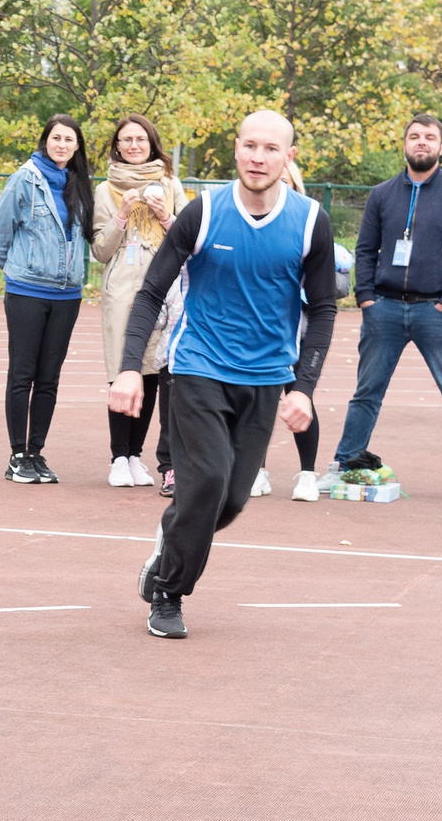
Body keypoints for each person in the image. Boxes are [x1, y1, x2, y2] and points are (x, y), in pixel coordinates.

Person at [110, 110, 336, 640]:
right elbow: (151, 292)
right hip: (197, 369)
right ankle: (168, 592)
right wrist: (129, 369)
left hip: (265, 379)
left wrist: (304, 387)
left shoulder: (310, 221)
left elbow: (324, 307)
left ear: (288, 157)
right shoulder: (205, 211)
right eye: (250, 146)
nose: (258, 158)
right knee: (207, 480)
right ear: (236, 149)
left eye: (271, 149)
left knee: (231, 500)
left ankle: (171, 539)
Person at [332, 112, 442, 504]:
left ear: (441, 146)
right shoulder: (382, 194)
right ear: (404, 144)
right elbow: (365, 249)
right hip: (384, 310)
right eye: (415, 136)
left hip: (436, 314)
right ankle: (343, 465)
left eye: (430, 137)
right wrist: (365, 297)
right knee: (366, 394)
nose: (422, 142)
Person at [0, 114, 95, 483]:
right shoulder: (25, 179)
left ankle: (36, 453)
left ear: (77, 146)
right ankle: (17, 455)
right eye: (56, 138)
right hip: (26, 292)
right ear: (45, 141)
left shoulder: (80, 183)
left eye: (69, 139)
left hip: (67, 295)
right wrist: (20, 270)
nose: (62, 145)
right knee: (23, 373)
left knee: (49, 378)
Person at [92, 114, 186, 489]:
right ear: (117, 146)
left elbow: (189, 238)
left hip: (163, 288)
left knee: (150, 371)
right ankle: (118, 457)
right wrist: (121, 215)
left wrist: (164, 214)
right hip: (122, 289)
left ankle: (135, 456)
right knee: (123, 369)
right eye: (126, 140)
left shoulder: (171, 184)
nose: (134, 145)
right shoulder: (105, 190)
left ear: (152, 144)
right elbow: (100, 250)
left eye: (140, 139)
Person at [245, 159, 333, 503]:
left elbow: (327, 285)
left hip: (297, 327)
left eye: (285, 181)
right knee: (258, 401)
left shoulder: (308, 224)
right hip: (256, 327)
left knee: (300, 396)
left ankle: (308, 473)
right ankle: (258, 469)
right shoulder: (247, 222)